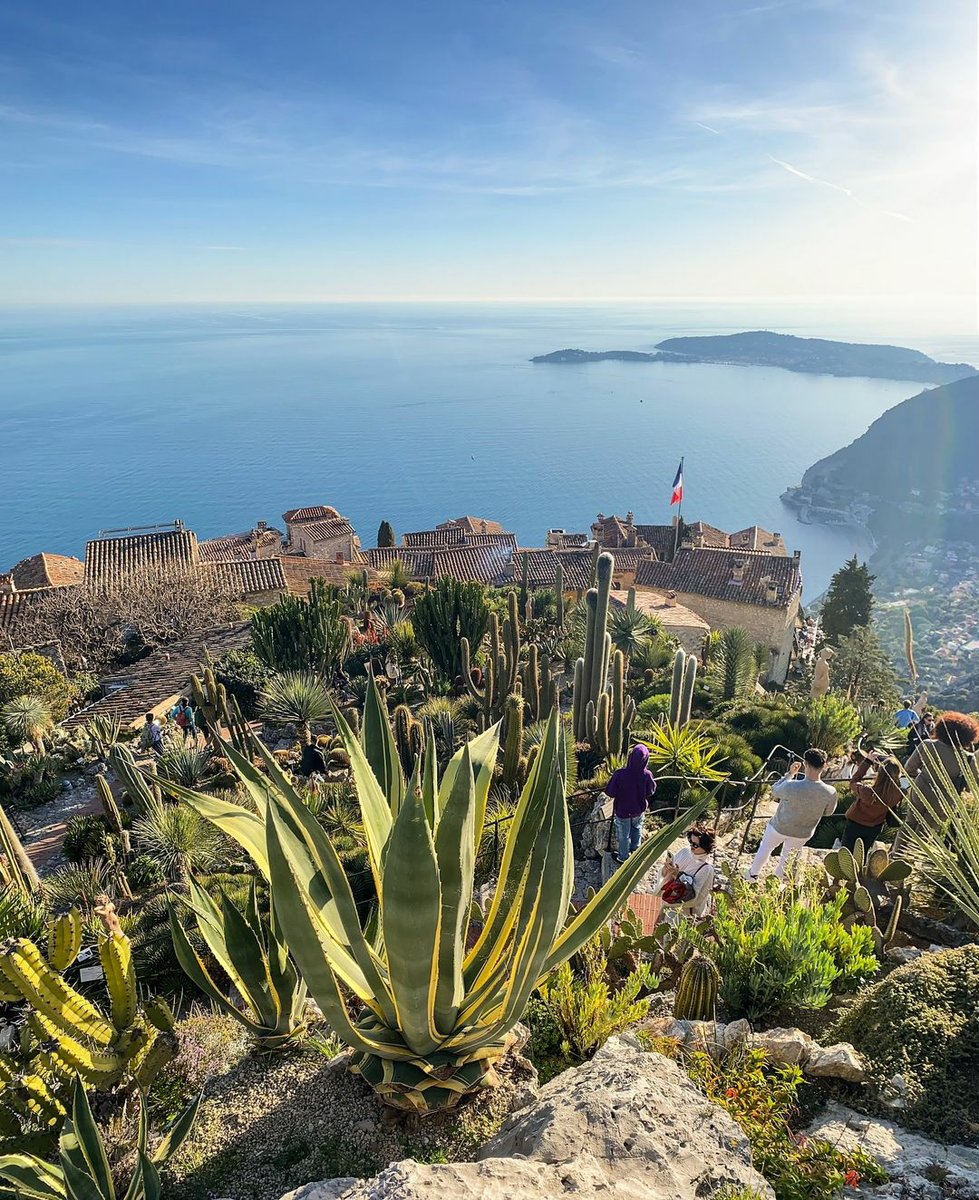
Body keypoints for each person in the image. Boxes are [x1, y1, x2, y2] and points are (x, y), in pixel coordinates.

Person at [894, 712, 979, 855]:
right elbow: (973, 785)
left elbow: (909, 769)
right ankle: (911, 862)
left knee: (909, 824)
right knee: (926, 832)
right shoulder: (968, 758)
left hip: (920, 790)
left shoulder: (927, 745)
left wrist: (918, 780)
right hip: (945, 801)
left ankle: (896, 857)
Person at [749, 748, 837, 880]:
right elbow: (828, 812)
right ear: (824, 766)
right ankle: (776, 884)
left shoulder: (792, 786)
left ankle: (752, 875)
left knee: (765, 848)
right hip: (803, 832)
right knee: (787, 858)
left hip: (779, 826)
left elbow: (775, 791)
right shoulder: (831, 792)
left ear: (805, 764)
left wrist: (790, 774)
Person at [841, 751, 903, 852]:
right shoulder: (898, 794)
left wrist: (868, 761)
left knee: (846, 852)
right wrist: (894, 761)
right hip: (874, 827)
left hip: (855, 824)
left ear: (880, 773)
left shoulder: (867, 791)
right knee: (863, 853)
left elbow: (854, 781)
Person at [605, 743, 657, 863]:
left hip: (623, 810)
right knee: (637, 829)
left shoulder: (620, 774)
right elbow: (651, 791)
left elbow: (610, 792)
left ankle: (623, 857)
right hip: (638, 809)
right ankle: (635, 853)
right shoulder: (647, 775)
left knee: (624, 835)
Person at [660, 826, 716, 919]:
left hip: (685, 914)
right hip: (669, 902)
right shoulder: (684, 852)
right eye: (690, 842)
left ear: (705, 846)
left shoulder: (706, 869)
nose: (691, 846)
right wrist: (667, 868)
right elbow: (663, 874)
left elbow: (695, 898)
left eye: (695, 845)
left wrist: (677, 875)